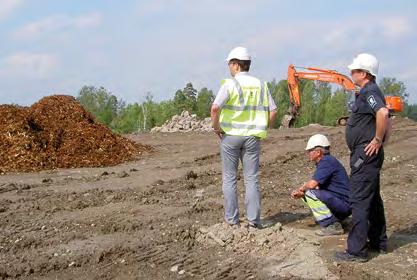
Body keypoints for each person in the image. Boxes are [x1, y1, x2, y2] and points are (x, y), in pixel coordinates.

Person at [211, 46, 277, 228]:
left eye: (230, 64)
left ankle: (232, 221)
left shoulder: (230, 84)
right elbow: (273, 111)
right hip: (252, 138)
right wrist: (264, 127)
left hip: (230, 136)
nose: (229, 68)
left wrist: (216, 127)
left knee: (230, 178)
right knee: (251, 179)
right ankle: (253, 221)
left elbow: (215, 108)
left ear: (235, 65)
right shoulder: (261, 85)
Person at [335, 53, 392, 263]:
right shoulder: (369, 92)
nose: (351, 73)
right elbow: (388, 118)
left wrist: (378, 139)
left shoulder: (370, 92)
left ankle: (356, 250)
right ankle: (379, 242)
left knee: (358, 200)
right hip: (367, 154)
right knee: (373, 198)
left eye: (354, 70)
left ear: (364, 73)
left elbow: (384, 114)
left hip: (364, 154)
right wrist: (382, 141)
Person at [291, 134, 351, 236]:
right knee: (309, 193)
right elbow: (320, 188)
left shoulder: (326, 161)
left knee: (309, 192)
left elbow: (312, 185)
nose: (308, 153)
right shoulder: (327, 162)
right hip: (344, 203)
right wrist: (302, 194)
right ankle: (338, 219)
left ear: (318, 152)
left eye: (310, 151)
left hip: (344, 204)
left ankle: (331, 224)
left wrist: (301, 189)